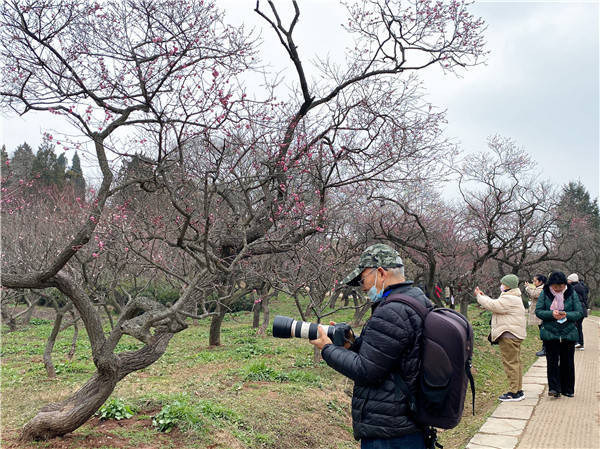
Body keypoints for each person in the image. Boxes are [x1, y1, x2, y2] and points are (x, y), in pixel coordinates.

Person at [309, 243, 433, 449]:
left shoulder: (391, 311)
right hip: (407, 422)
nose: (363, 287)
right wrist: (354, 344)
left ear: (381, 273)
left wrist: (328, 348)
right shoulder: (417, 300)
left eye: (363, 278)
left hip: (390, 432)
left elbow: (366, 371)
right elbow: (390, 358)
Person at [474, 274, 527, 402]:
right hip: (514, 334)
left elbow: (494, 305)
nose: (501, 285)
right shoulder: (512, 297)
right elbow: (495, 304)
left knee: (510, 363)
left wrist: (479, 296)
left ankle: (513, 392)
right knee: (515, 363)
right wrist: (484, 297)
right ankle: (518, 390)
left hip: (509, 334)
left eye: (503, 283)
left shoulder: (510, 298)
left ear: (508, 285)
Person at [535, 271, 583, 398]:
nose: (557, 289)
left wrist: (567, 314)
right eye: (555, 286)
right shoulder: (545, 293)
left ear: (565, 284)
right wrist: (551, 314)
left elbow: (579, 312)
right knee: (552, 362)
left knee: (568, 362)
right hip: (550, 333)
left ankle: (568, 389)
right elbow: (539, 311)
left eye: (560, 286)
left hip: (568, 333)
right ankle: (554, 388)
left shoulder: (571, 293)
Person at [525, 274, 547, 356]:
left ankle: (545, 349)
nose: (533, 282)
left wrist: (528, 288)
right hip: (539, 312)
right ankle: (544, 348)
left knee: (543, 330)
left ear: (541, 282)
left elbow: (534, 294)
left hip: (541, 312)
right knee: (542, 330)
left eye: (535, 281)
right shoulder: (538, 288)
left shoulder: (542, 289)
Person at [567, 273, 588, 350]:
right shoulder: (581, 287)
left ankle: (577, 342)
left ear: (572, 280)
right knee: (578, 326)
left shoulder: (573, 288)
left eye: (568, 279)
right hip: (582, 309)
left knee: (576, 326)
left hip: (577, 310)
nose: (567, 280)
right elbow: (585, 299)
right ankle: (580, 343)